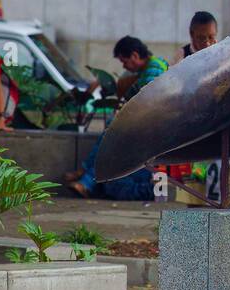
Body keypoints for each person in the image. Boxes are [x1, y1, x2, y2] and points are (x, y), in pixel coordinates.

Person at [67, 36, 170, 199]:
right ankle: (86, 177)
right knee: (110, 131)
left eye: (124, 61)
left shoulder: (153, 69)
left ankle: (86, 176)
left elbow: (147, 103)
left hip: (151, 128)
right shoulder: (148, 69)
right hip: (146, 125)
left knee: (111, 137)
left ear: (135, 56)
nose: (124, 66)